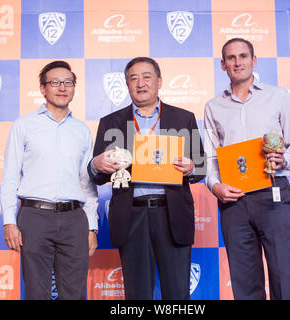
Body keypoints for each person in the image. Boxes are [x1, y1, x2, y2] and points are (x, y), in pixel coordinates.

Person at [88, 57, 205, 300]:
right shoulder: (112, 123)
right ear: (127, 84)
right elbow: (97, 176)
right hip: (131, 216)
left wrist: (191, 167)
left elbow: (201, 167)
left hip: (172, 214)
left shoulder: (183, 118)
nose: (140, 83)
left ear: (159, 81)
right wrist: (97, 164)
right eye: (133, 78)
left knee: (177, 294)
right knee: (137, 294)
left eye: (147, 76)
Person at [204, 38, 290, 300]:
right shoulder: (213, 106)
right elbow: (209, 158)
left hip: (272, 192)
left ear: (254, 60)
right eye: (231, 58)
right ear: (223, 65)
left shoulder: (278, 95)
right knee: (244, 279)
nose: (237, 62)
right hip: (234, 200)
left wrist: (285, 160)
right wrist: (214, 185)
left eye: (243, 56)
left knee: (283, 275)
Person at [0, 60, 98, 300]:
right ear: (43, 88)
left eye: (68, 82)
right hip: (34, 217)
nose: (62, 87)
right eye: (55, 82)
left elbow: (87, 184)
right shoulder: (24, 124)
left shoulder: (81, 130)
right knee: (37, 292)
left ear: (74, 87)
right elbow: (10, 176)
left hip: (74, 218)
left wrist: (91, 226)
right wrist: (9, 221)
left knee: (75, 293)